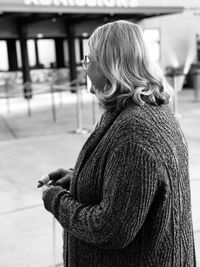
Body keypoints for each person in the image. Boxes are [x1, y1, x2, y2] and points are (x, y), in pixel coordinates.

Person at [41, 20, 196, 266]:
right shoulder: (144, 110)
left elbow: (110, 229)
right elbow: (134, 188)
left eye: (89, 61)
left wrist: (56, 199)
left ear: (111, 66)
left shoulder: (135, 131)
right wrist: (79, 178)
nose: (85, 68)